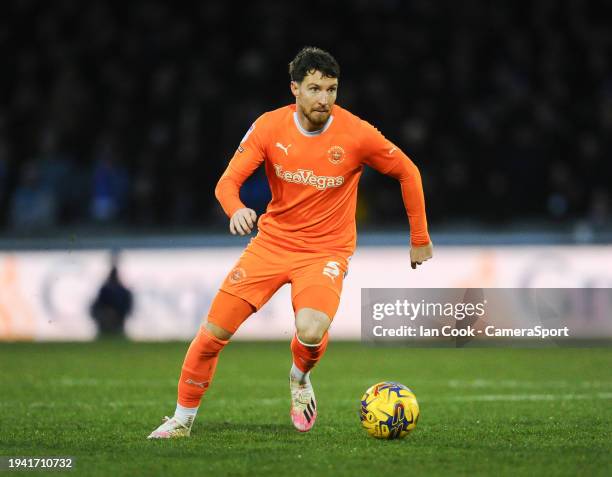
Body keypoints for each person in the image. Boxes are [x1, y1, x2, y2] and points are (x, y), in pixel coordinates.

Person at [148, 46, 433, 438]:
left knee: (312, 329)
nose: (325, 99)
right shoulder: (268, 127)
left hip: (325, 252)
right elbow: (227, 183)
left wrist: (419, 237)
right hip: (271, 245)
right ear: (294, 89)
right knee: (213, 333)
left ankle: (299, 378)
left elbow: (408, 172)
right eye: (315, 89)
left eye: (332, 89)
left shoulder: (356, 133)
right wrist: (235, 210)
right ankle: (181, 420)